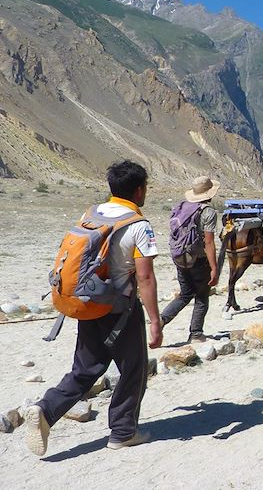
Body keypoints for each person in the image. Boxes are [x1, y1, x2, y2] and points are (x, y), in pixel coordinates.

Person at [24, 160, 162, 456]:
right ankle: (123, 432)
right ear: (139, 191)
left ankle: (45, 410)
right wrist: (154, 321)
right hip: (121, 311)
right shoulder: (139, 225)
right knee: (133, 370)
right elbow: (145, 276)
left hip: (87, 304)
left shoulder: (91, 214)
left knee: (85, 369)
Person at [160, 176, 220, 342]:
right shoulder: (207, 212)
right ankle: (196, 333)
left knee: (185, 294)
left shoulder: (183, 207)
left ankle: (162, 319)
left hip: (180, 257)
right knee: (201, 297)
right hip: (199, 260)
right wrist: (214, 268)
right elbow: (209, 242)